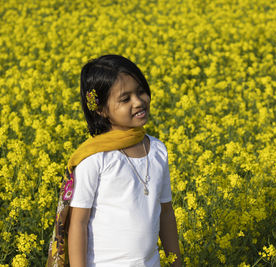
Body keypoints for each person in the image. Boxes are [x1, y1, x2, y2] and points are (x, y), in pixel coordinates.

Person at [47, 55, 181, 267]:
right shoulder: (95, 157)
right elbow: (78, 224)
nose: (138, 102)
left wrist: (176, 263)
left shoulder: (157, 150)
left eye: (140, 91)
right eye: (125, 99)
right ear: (100, 109)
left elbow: (166, 213)